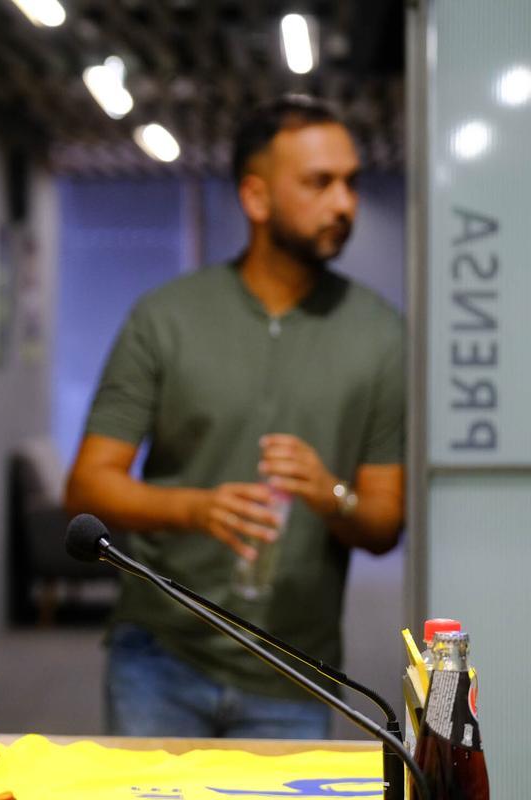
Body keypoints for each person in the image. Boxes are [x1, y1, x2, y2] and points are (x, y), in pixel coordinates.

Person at [65, 95, 405, 739]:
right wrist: (196, 509)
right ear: (255, 197)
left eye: (352, 183)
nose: (344, 203)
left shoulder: (381, 335)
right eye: (319, 182)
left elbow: (385, 520)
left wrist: (332, 494)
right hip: (160, 656)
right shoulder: (165, 317)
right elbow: (87, 486)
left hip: (294, 670)